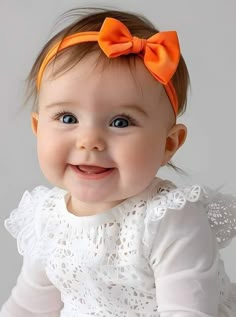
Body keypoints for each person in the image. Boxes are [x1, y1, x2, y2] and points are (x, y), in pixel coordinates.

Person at [1, 7, 236, 317]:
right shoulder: (47, 221)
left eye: (121, 122)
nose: (90, 140)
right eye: (67, 118)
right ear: (38, 128)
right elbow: (28, 308)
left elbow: (189, 311)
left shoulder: (168, 220)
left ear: (168, 144)